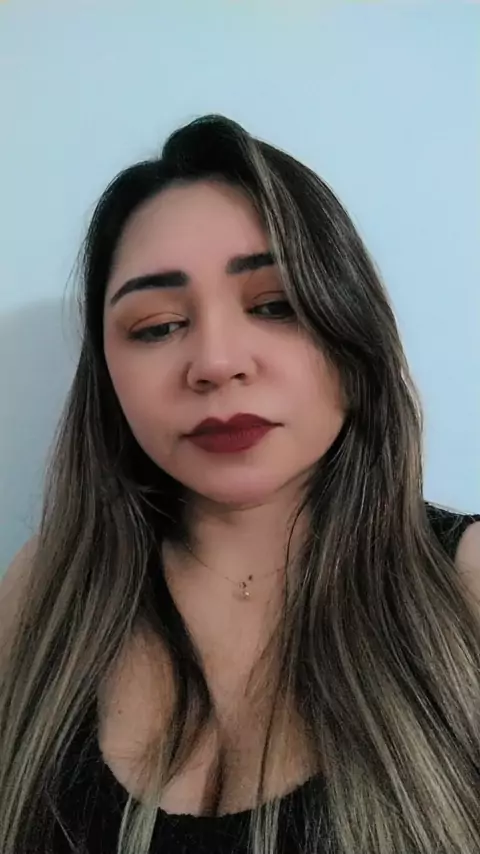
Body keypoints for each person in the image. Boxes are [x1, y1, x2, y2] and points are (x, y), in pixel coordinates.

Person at [1, 114, 479, 854]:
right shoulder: (47, 590)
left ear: (352, 331)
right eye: (158, 325)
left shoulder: (466, 582)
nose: (217, 363)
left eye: (275, 305)